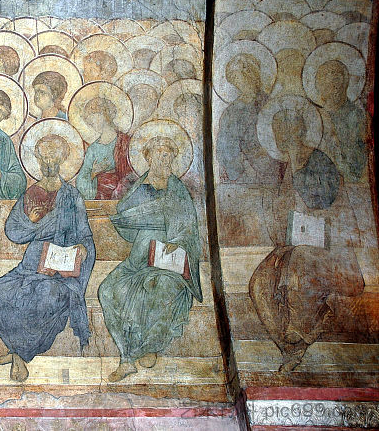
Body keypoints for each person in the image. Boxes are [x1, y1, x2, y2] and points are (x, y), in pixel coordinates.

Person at [249, 109, 362, 372]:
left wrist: (305, 228)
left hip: (329, 248)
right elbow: (280, 215)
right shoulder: (284, 168)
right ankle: (287, 346)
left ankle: (300, 331)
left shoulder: (319, 162)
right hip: (292, 246)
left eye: (288, 129)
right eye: (278, 131)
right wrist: (282, 235)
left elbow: (327, 207)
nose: (283, 136)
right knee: (260, 282)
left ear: (300, 131)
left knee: (300, 267)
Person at [0, 134, 95, 381]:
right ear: (37, 159)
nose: (49, 162)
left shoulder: (72, 195)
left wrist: (83, 249)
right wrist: (33, 223)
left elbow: (85, 236)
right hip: (31, 265)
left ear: (62, 159)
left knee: (45, 296)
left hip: (60, 270)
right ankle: (16, 347)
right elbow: (13, 231)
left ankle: (20, 355)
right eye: (44, 157)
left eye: (53, 157)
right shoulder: (31, 193)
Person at [99, 135, 202, 382]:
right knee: (106, 290)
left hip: (168, 262)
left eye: (168, 156)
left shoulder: (177, 190)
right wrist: (137, 218)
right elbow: (124, 217)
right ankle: (125, 358)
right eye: (159, 155)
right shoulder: (139, 186)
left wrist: (177, 241)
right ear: (149, 158)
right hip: (137, 261)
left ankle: (150, 347)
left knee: (156, 286)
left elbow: (190, 229)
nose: (164, 160)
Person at [216, 54, 283, 185]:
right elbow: (224, 148)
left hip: (271, 169)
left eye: (248, 72)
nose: (241, 80)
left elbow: (282, 137)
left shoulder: (271, 104)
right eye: (235, 77)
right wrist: (244, 164)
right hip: (242, 174)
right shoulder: (231, 112)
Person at [315, 60, 366, 182]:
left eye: (336, 80)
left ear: (345, 83)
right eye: (327, 83)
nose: (333, 87)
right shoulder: (315, 115)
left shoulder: (356, 115)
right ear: (319, 86)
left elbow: (358, 155)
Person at [75, 96, 134, 200]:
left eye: (93, 117)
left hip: (122, 195)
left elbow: (133, 173)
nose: (91, 123)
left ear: (104, 115)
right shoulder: (93, 149)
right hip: (99, 196)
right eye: (89, 120)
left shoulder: (124, 141)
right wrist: (94, 172)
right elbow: (81, 179)